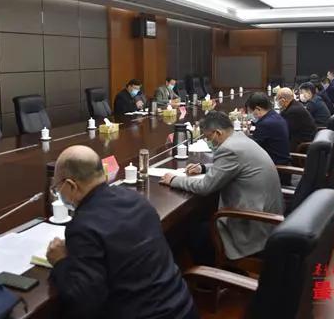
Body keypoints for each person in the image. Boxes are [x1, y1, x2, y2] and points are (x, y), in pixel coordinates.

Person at [47, 146, 198, 319]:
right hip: (184, 309)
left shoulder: (83, 226)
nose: (58, 193)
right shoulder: (136, 199)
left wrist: (60, 262)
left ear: (71, 185)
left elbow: (84, 302)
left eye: (57, 188)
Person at [159, 111, 283, 265]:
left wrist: (174, 180)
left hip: (251, 226)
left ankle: (208, 274)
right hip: (266, 216)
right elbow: (233, 166)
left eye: (208, 137)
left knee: (191, 231)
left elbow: (205, 187)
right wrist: (204, 168)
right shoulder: (239, 139)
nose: (209, 142)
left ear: (217, 133)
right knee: (200, 217)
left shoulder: (229, 149)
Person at [246, 92, 290, 166]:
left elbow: (252, 147)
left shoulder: (265, 124)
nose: (252, 114)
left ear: (258, 109)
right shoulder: (275, 116)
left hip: (275, 166)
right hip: (281, 161)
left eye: (251, 112)